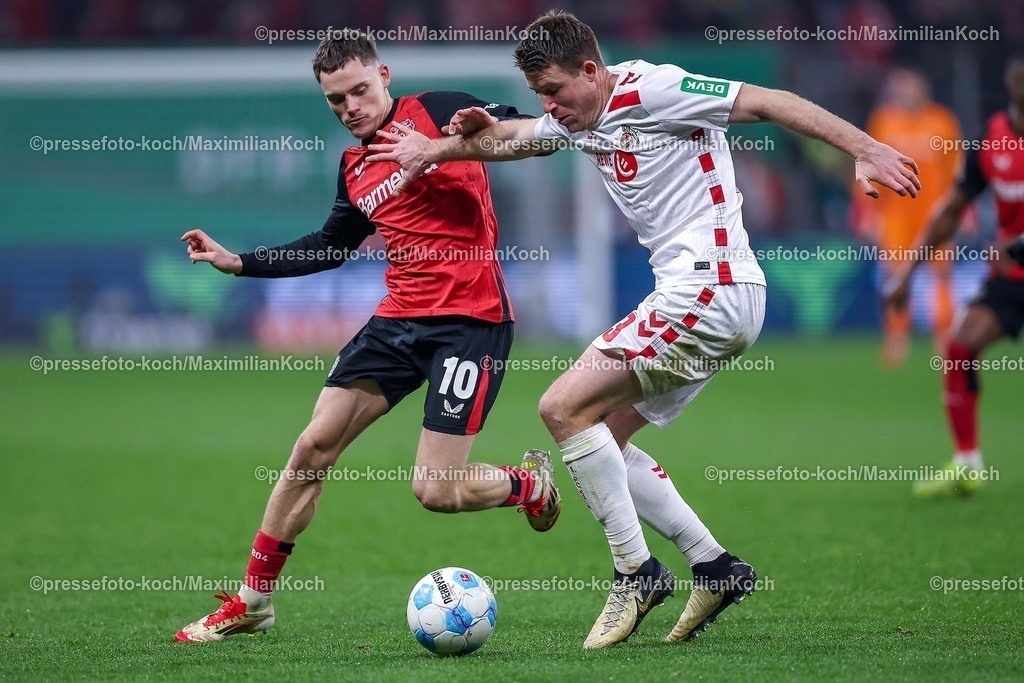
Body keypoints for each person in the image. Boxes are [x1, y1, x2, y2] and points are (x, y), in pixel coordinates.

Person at [368, 10, 919, 649]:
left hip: (710, 284)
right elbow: (516, 139)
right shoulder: (580, 114)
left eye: (556, 91)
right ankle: (712, 565)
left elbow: (767, 102)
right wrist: (436, 147)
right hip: (707, 296)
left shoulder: (653, 90)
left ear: (593, 70)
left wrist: (865, 147)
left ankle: (636, 570)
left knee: (561, 408)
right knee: (600, 437)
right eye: (541, 94)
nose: (551, 106)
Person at [173, 31, 561, 643]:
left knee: (436, 491)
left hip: (471, 322)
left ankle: (526, 484)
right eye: (336, 100)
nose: (351, 106)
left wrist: (451, 140)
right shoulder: (356, 166)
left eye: (359, 90)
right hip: (397, 321)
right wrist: (238, 262)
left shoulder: (435, 111)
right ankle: (253, 602)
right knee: (310, 450)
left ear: (384, 75)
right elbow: (329, 246)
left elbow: (529, 134)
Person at [886, 55, 1024, 498]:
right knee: (960, 346)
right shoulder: (994, 137)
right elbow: (951, 210)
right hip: (1012, 275)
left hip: (1012, 257)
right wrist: (908, 272)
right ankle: (967, 465)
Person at [854, 68, 962, 367]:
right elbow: (867, 168)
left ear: (923, 88)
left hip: (936, 212)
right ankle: (897, 340)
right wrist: (868, 211)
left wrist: (964, 210)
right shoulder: (883, 121)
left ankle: (944, 340)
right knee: (896, 276)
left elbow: (957, 169)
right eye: (899, 87)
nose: (904, 92)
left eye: (910, 86)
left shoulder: (942, 120)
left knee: (941, 275)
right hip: (897, 213)